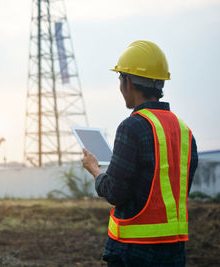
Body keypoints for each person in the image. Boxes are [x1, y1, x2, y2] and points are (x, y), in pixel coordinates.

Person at [82, 40, 198, 267]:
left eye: (119, 79)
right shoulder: (185, 131)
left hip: (134, 250)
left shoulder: (132, 126)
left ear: (127, 81)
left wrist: (95, 170)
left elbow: (115, 193)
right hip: (174, 251)